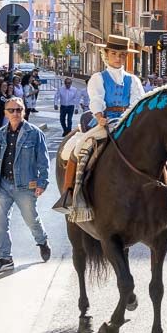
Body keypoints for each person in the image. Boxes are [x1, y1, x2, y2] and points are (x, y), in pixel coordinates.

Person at [60, 35, 145, 217]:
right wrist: (99, 116)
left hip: (127, 121)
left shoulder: (133, 80)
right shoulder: (98, 78)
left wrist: (130, 118)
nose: (118, 58)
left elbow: (138, 102)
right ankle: (71, 194)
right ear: (106, 54)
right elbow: (96, 98)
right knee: (79, 148)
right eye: (114, 53)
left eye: (122, 54)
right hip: (104, 120)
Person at [0, 97, 52, 273]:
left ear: (24, 111)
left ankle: (42, 241)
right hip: (4, 185)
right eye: (11, 110)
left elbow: (43, 161)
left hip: (25, 186)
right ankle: (5, 257)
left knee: (31, 220)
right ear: (5, 113)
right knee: (0, 223)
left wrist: (42, 183)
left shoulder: (34, 133)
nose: (15, 113)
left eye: (19, 109)